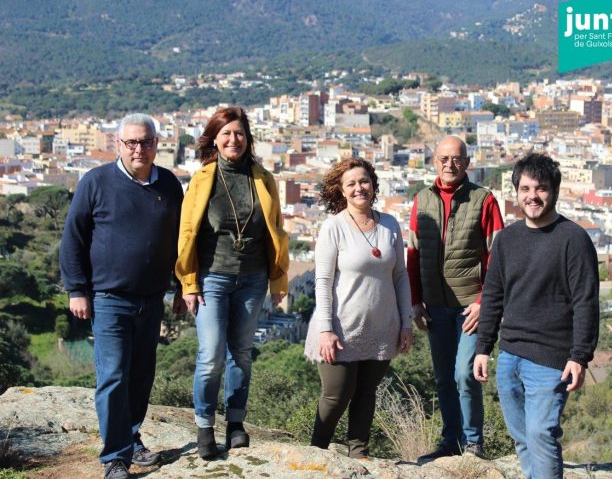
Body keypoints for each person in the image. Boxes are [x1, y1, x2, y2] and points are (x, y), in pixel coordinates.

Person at [60, 114, 184, 479]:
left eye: (145, 142)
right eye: (131, 142)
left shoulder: (170, 185)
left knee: (142, 374)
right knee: (113, 375)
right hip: (108, 297)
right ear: (119, 145)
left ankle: (131, 438)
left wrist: (181, 286)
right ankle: (115, 458)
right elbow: (73, 238)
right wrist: (77, 289)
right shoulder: (96, 182)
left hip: (152, 298)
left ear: (157, 144)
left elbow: (182, 240)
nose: (138, 149)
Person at [474, 153, 599, 478]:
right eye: (526, 188)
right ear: (516, 191)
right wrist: (483, 347)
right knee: (523, 437)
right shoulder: (507, 239)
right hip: (510, 356)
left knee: (542, 434)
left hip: (550, 359)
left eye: (540, 188)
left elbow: (586, 301)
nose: (532, 196)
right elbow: (493, 295)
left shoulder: (573, 239)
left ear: (554, 190)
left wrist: (580, 356)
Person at [175, 106, 289, 459]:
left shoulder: (263, 178)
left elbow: (276, 229)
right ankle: (205, 426)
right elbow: (187, 231)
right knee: (210, 355)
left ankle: (236, 424)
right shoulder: (202, 178)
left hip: (253, 278)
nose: (233, 139)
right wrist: (188, 282)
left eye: (239, 133)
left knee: (241, 353)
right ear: (215, 139)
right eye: (226, 133)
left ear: (247, 138)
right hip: (212, 277)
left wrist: (278, 279)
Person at [304, 157, 413, 459]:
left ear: (374, 185)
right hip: (340, 327)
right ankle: (317, 451)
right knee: (337, 394)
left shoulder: (389, 224)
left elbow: (400, 276)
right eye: (351, 183)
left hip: (382, 327)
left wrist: (406, 322)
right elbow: (323, 281)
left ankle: (358, 451)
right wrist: (325, 329)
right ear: (341, 190)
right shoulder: (333, 227)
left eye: (363, 181)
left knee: (366, 393)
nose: (358, 188)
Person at [408, 135, 504, 462]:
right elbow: (413, 255)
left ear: (467, 162)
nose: (450, 165)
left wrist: (484, 303)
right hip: (435, 305)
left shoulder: (483, 200)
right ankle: (452, 440)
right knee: (444, 377)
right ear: (434, 161)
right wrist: (415, 301)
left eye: (457, 159)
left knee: (464, 372)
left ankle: (474, 442)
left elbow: (497, 256)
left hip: (470, 306)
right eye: (443, 158)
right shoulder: (422, 200)